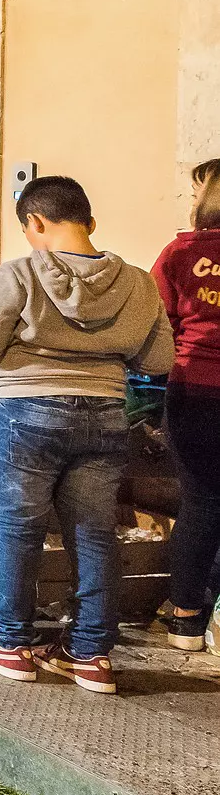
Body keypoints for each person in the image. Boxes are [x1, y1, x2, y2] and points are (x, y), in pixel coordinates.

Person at [0, 176, 173, 694]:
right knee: (93, 532)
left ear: (35, 223)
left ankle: (8, 644)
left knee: (16, 526)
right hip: (103, 414)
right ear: (90, 223)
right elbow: (159, 359)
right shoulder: (140, 283)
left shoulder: (20, 274)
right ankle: (91, 655)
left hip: (22, 411)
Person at [153, 163, 220, 650]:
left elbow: (157, 323)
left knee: (199, 501)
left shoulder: (181, 252)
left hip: (194, 388)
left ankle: (186, 619)